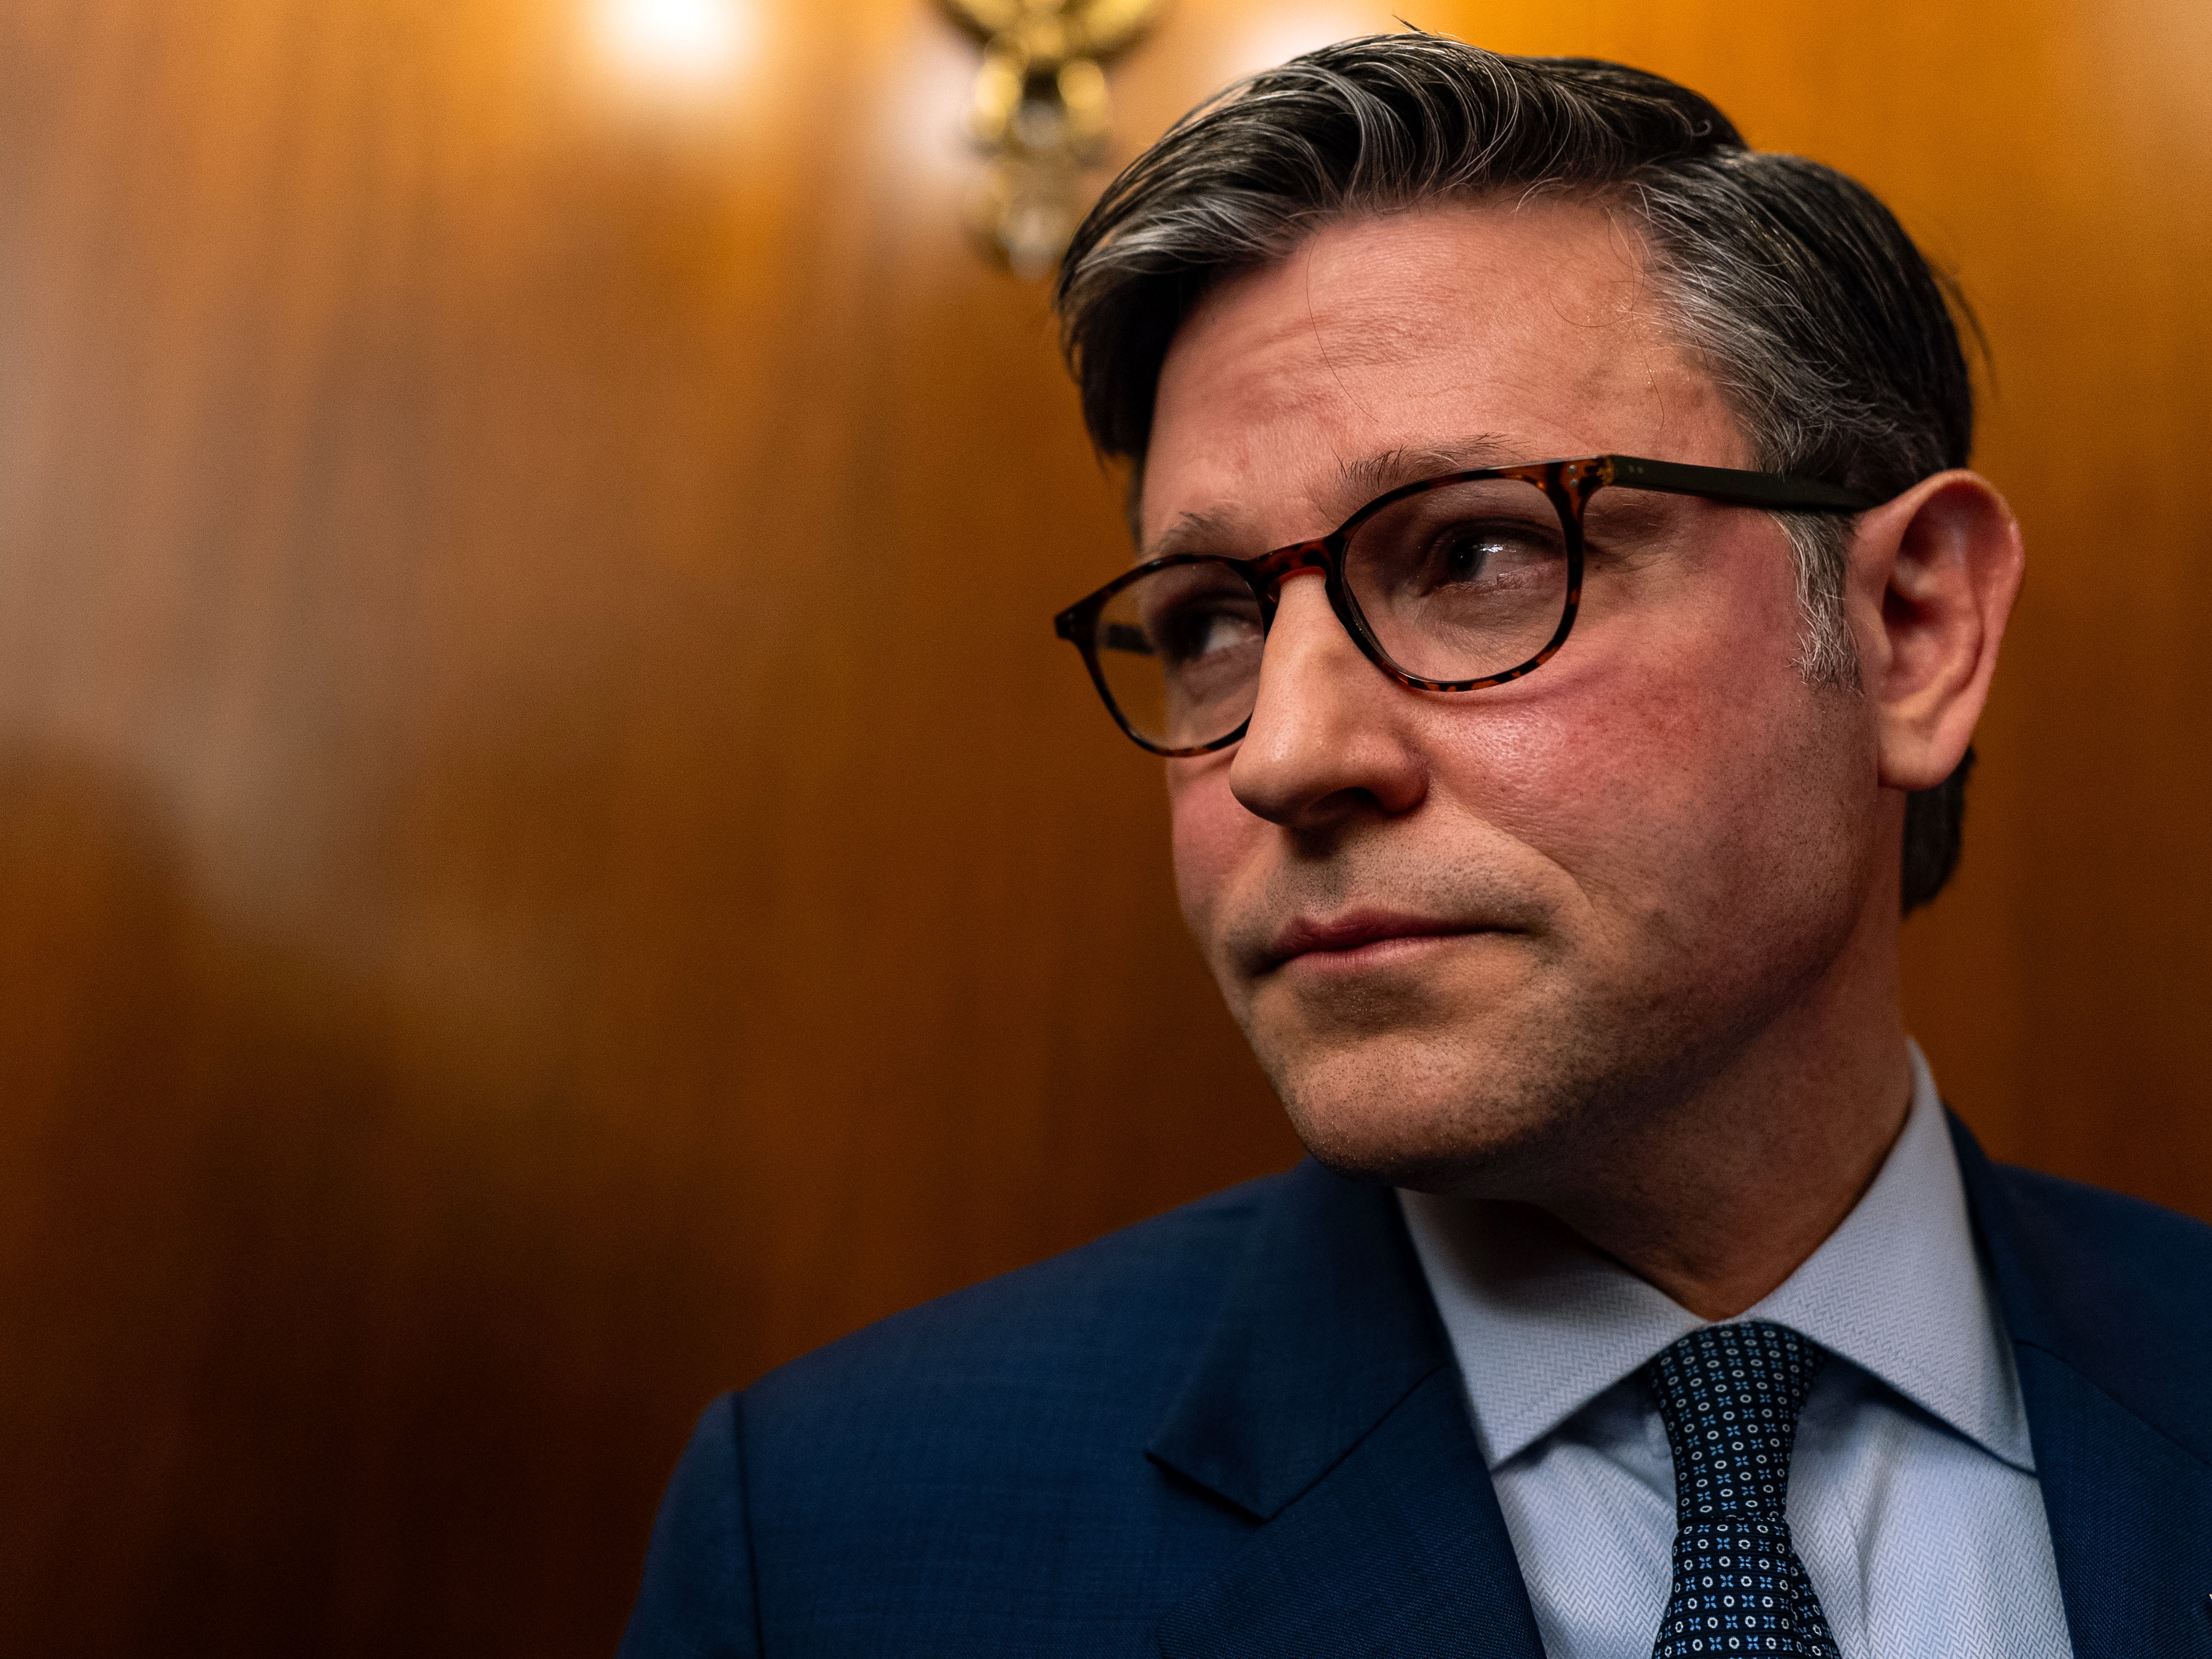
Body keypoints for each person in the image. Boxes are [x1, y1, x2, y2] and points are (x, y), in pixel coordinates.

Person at [620, 36, 2212, 1658]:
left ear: (1906, 628)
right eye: (1210, 622)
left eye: (1473, 552)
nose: (1283, 756)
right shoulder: (834, 1554)